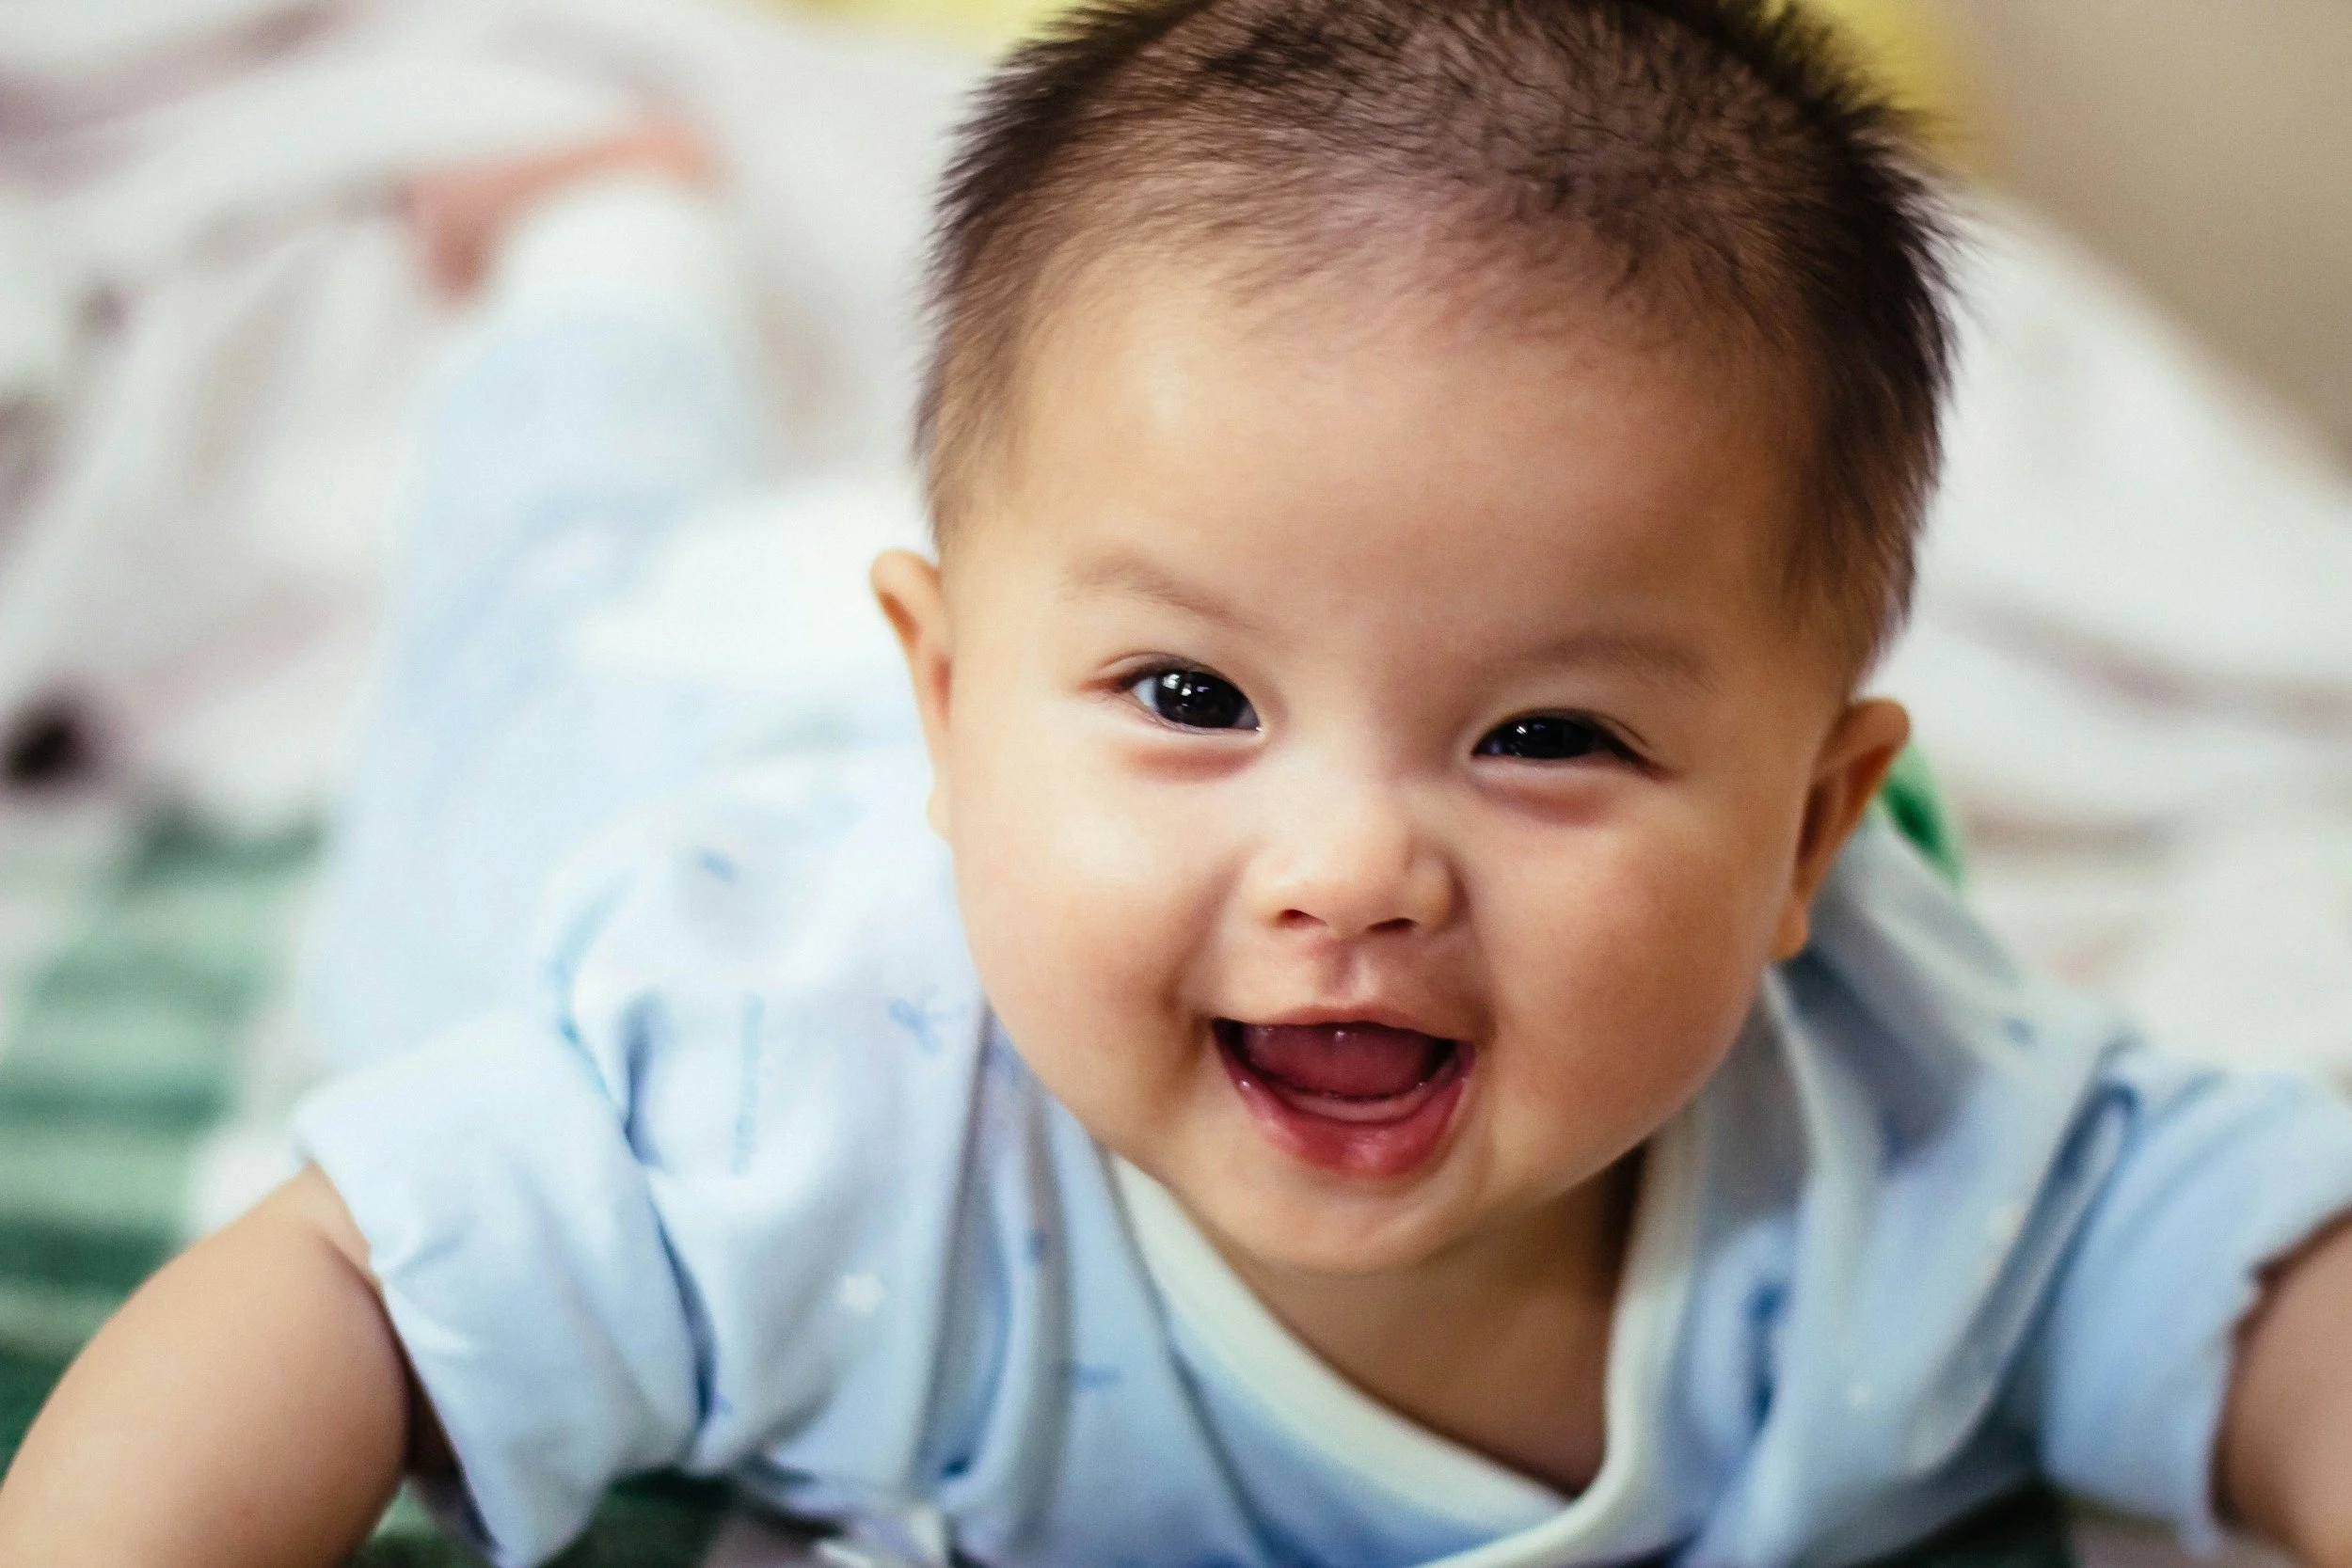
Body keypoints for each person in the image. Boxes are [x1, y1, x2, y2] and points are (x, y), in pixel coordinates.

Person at [8, 3, 2352, 1565]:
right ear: (940, 707)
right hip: (662, 750)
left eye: (1545, 733)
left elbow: (2263, 1287)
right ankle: (608, 250)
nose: (1349, 869)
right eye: (1201, 696)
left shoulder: (1907, 1137)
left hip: (1006, 733)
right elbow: (331, 1287)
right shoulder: (772, 1086)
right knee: (546, 573)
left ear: (1810, 840)